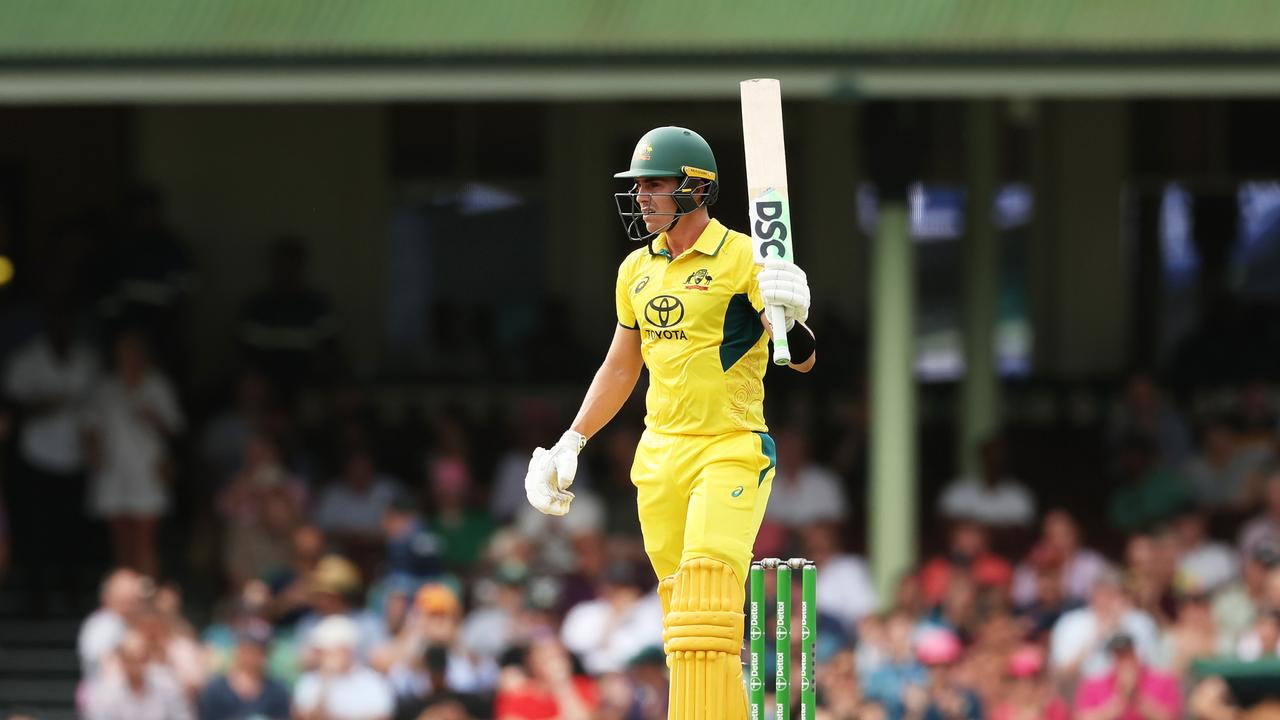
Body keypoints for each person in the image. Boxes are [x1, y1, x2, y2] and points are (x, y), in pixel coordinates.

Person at [521, 125, 815, 719]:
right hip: (659, 455)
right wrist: (572, 439)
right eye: (638, 186)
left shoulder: (744, 258)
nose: (642, 197)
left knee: (709, 586)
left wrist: (795, 313)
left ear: (695, 187)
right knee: (683, 613)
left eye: (654, 185)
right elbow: (620, 365)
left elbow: (801, 358)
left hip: (730, 446)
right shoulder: (635, 268)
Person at [82, 329, 185, 577]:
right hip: (113, 469)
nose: (126, 359)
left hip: (148, 470)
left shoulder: (158, 385)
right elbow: (89, 424)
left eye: (131, 354)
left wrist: (153, 416)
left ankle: (146, 599)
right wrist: (93, 451)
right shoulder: (106, 387)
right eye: (121, 354)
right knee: (120, 540)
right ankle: (124, 599)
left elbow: (176, 428)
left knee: (145, 541)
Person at [1050, 572, 1160, 683]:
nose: (1108, 601)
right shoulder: (1071, 623)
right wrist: (1097, 636)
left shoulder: (1140, 621)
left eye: (1114, 595)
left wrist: (1121, 628)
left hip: (1133, 689)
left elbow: (1153, 668)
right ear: (1092, 595)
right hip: (1084, 690)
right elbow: (1062, 674)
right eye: (1103, 594)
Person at [292, 615, 395, 720]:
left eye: (329, 650)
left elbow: (382, 717)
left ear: (347, 651)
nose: (322, 656)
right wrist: (326, 683)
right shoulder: (310, 681)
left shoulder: (372, 682)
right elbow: (306, 717)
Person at [84, 629, 193, 720]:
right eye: (131, 660)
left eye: (142, 659)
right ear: (122, 662)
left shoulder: (167, 684)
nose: (138, 666)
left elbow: (182, 716)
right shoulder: (106, 693)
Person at [1072, 634, 1181, 720]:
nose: (1124, 662)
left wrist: (1136, 697)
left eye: (1127, 655)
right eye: (1119, 656)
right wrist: (1117, 703)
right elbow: (1081, 717)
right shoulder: (1094, 684)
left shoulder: (1164, 680)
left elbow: (1172, 716)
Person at [196, 619, 290, 720]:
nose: (252, 656)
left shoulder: (277, 692)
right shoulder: (215, 690)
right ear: (238, 650)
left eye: (260, 651)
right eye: (248, 649)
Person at [938, 436, 1035, 529]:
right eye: (989, 455)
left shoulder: (1020, 495)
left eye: (999, 456)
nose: (994, 461)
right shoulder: (958, 490)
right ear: (980, 457)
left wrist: (976, 524)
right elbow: (944, 522)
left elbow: (1022, 530)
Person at [78, 568, 145, 679]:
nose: (137, 596)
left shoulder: (128, 622)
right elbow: (104, 663)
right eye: (130, 591)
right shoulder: (102, 625)